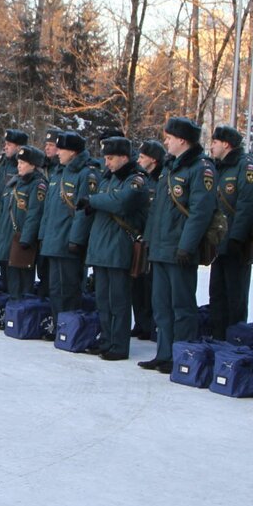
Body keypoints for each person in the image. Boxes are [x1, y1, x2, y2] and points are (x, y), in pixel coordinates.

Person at [139, 117, 216, 374]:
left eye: (169, 137)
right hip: (161, 247)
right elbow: (156, 209)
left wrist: (187, 246)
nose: (166, 142)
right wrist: (149, 239)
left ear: (182, 140)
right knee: (160, 305)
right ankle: (164, 353)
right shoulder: (170, 167)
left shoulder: (200, 168)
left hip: (179, 249)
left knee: (181, 306)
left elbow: (200, 213)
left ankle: (182, 355)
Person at [79, 137, 149, 360]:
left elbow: (121, 202)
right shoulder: (107, 180)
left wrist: (94, 200)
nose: (106, 163)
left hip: (119, 246)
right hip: (101, 247)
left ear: (124, 158)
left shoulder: (135, 180)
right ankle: (107, 339)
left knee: (118, 300)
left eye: (110, 158)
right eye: (105, 158)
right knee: (103, 299)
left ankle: (119, 344)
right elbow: (109, 200)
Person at [208, 124, 253, 338]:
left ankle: (233, 338)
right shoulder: (217, 167)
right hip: (218, 243)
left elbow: (248, 205)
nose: (211, 146)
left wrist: (237, 237)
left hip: (235, 243)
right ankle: (217, 336)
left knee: (235, 297)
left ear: (226, 144)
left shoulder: (246, 167)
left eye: (214, 142)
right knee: (217, 294)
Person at [39, 131, 98, 318]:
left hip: (68, 242)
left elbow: (83, 211)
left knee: (69, 289)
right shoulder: (58, 173)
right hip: (53, 240)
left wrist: (76, 239)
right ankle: (59, 325)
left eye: (61, 149)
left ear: (72, 152)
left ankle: (69, 326)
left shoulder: (86, 173)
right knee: (55, 288)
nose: (57, 153)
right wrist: (43, 235)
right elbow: (48, 209)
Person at [0, 146, 48, 299]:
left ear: (33, 165)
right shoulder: (13, 183)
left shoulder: (38, 185)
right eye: (19, 162)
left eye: (23, 163)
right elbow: (2, 213)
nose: (19, 166)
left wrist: (26, 239)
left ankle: (21, 314)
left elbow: (34, 214)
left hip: (21, 243)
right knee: (8, 282)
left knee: (22, 284)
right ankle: (12, 314)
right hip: (6, 240)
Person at [131, 139, 165, 339]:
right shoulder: (141, 177)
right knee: (138, 282)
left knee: (152, 285)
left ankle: (152, 324)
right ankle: (141, 322)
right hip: (138, 237)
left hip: (154, 238)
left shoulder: (161, 179)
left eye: (142, 157)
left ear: (153, 159)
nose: (139, 160)